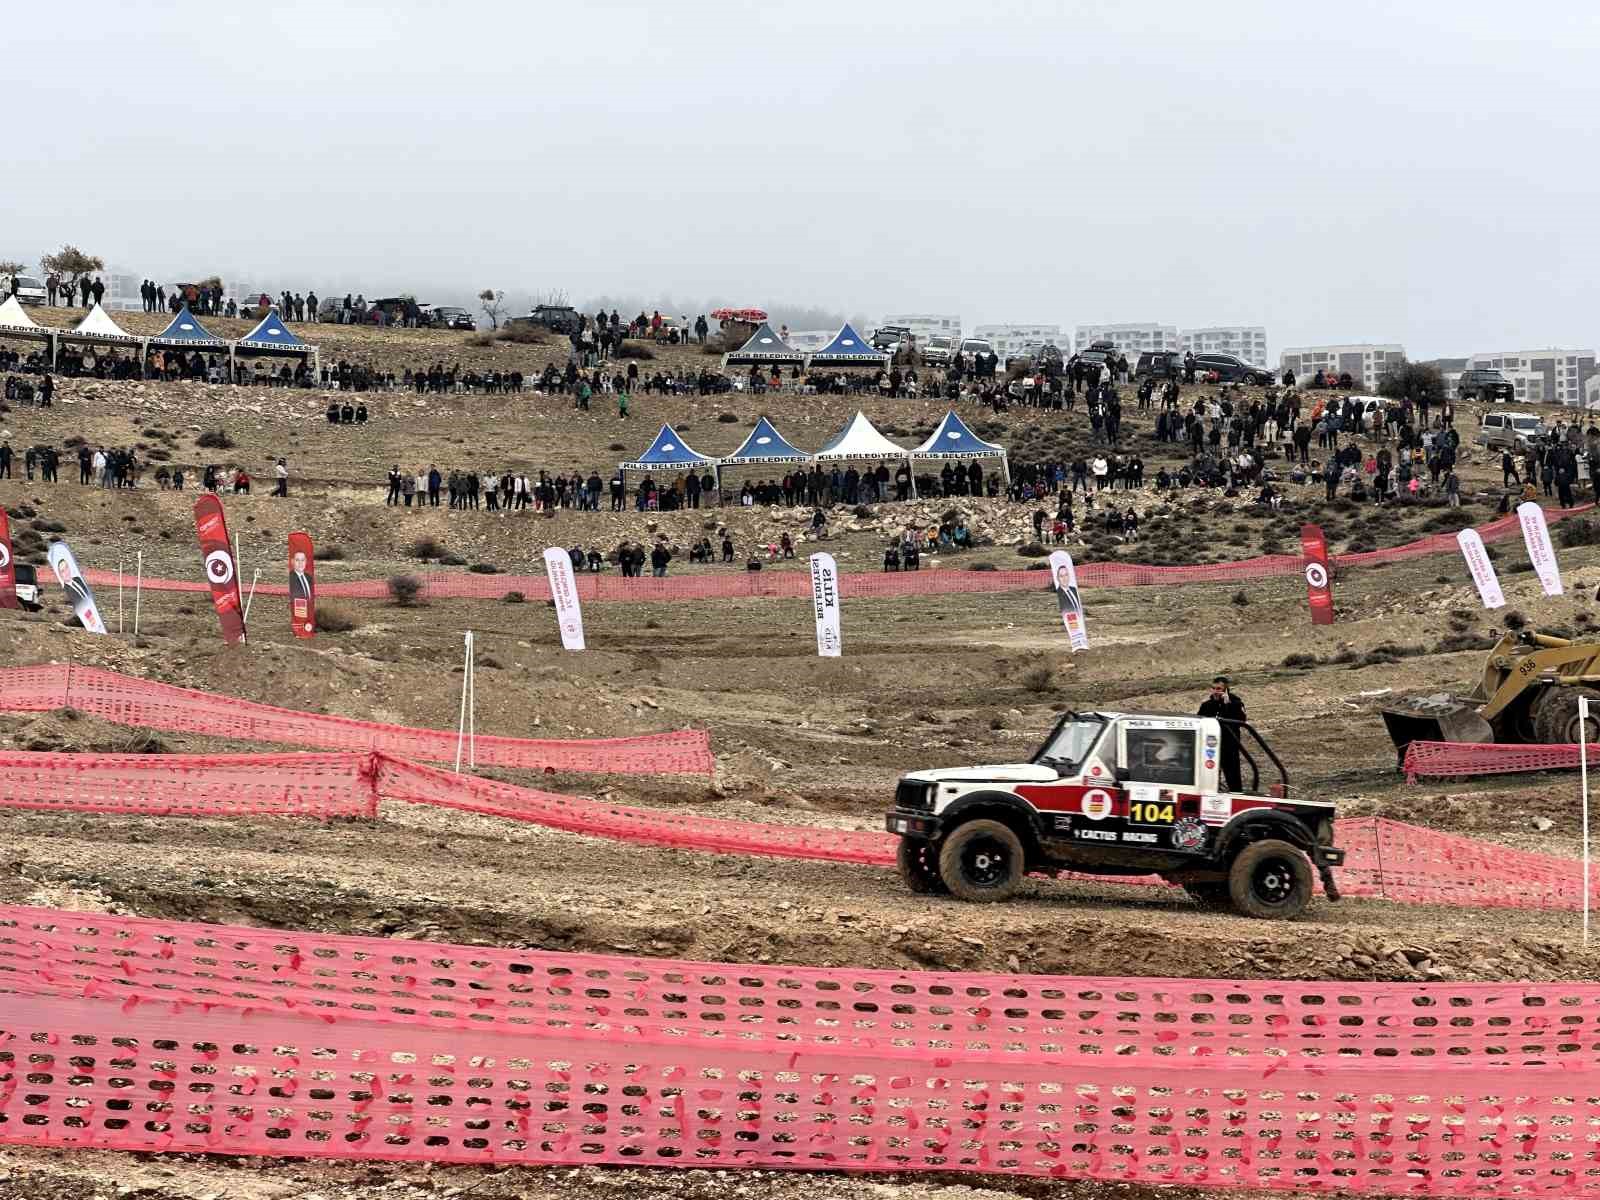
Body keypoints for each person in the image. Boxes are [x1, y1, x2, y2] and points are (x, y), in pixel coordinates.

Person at [1197, 676, 1247, 791]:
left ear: (1225, 690)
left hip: (1229, 744)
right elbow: (1200, 720)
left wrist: (1227, 704)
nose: (1215, 691)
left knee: (1232, 773)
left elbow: (1241, 720)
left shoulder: (1236, 702)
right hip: (1210, 745)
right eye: (1213, 688)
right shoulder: (1207, 704)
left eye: (1218, 689)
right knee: (1210, 772)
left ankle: (1236, 793)